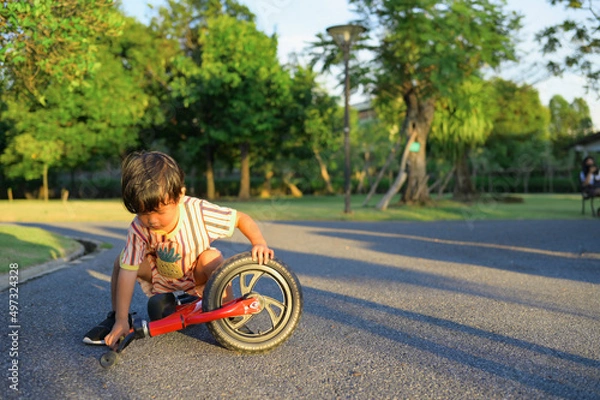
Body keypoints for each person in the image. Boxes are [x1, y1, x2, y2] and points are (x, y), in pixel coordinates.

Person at [83, 151, 274, 348]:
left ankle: (230, 315)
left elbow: (240, 219)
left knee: (212, 258)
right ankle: (117, 319)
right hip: (159, 275)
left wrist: (258, 242)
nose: (152, 220)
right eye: (143, 213)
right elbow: (129, 272)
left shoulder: (198, 211)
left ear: (179, 195)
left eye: (159, 211)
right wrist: (122, 319)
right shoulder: (138, 227)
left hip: (195, 274)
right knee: (122, 260)